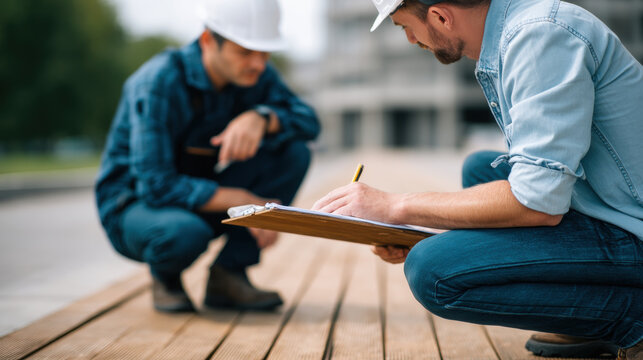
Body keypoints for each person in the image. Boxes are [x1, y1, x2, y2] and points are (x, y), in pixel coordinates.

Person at [312, 0, 642, 358]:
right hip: (608, 203)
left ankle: (629, 317)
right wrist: (433, 233)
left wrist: (395, 206)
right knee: (480, 169)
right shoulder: (517, 32)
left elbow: (537, 202)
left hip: (632, 227)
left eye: (404, 26)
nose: (409, 39)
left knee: (432, 270)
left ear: (440, 16)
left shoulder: (540, 37)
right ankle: (585, 315)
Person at [95, 0, 320, 313]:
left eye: (264, 53)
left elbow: (310, 122)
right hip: (135, 207)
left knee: (293, 152)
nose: (258, 63)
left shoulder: (257, 74)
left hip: (196, 195)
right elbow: (156, 185)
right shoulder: (158, 82)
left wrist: (262, 117)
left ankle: (229, 274)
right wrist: (244, 199)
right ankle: (167, 277)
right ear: (207, 41)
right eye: (245, 52)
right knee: (184, 232)